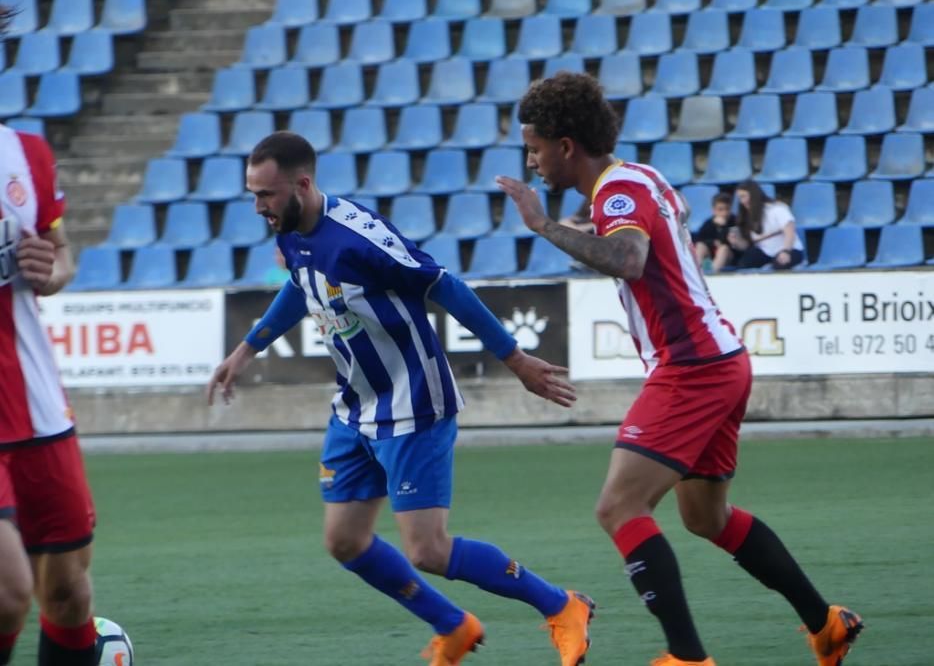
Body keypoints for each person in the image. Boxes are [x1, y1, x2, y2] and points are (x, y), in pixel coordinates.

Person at [496, 72, 863, 666]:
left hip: (691, 367)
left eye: (535, 148)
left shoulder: (618, 192)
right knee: (705, 516)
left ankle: (687, 658)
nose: (531, 161)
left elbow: (630, 258)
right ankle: (826, 624)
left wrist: (542, 225)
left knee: (618, 508)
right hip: (720, 360)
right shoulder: (640, 179)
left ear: (566, 146)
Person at [207, 131, 594, 666]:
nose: (258, 207)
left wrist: (516, 359)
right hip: (354, 408)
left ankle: (562, 604)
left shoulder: (361, 239)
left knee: (428, 550)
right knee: (344, 541)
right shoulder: (292, 229)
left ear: (302, 184)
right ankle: (453, 626)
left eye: (266, 195)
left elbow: (446, 285)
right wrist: (246, 350)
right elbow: (300, 285)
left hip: (414, 403)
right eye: (252, 195)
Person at [0, 6, 99, 666]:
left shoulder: (25, 154)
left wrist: (52, 267)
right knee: (7, 593)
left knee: (65, 594)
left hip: (35, 405)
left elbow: (61, 257)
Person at [728, 180, 804, 270]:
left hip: (790, 249)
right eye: (740, 198)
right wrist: (736, 242)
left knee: (780, 264)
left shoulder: (777, 208)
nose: (742, 201)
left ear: (754, 195)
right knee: (743, 264)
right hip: (765, 252)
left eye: (744, 196)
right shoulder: (745, 216)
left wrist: (786, 251)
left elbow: (790, 233)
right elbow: (747, 245)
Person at [692, 193, 738, 274]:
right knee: (700, 246)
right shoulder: (709, 223)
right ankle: (696, 273)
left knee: (724, 248)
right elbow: (699, 239)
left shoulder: (734, 221)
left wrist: (723, 226)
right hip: (712, 253)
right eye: (720, 209)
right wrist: (713, 242)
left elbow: (729, 243)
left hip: (730, 255)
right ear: (714, 210)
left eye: (727, 209)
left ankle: (713, 274)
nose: (724, 213)